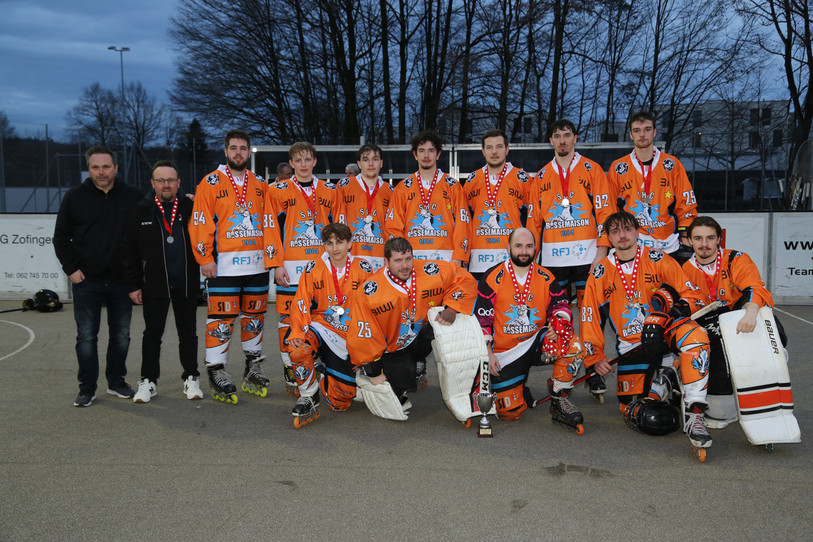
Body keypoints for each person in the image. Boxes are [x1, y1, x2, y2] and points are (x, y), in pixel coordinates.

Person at [581, 211, 713, 451]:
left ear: (637, 231)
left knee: (696, 336)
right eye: (615, 231)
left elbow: (692, 294)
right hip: (632, 345)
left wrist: (671, 314)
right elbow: (589, 315)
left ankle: (695, 412)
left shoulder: (658, 258)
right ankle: (670, 375)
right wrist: (595, 357)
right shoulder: (600, 272)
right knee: (634, 409)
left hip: (664, 331)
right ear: (608, 238)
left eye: (627, 229)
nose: (622, 235)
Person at [528, 119, 617, 400]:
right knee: (558, 318)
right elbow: (533, 222)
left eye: (567, 135)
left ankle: (592, 370)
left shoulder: (592, 170)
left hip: (588, 257)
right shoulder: (540, 176)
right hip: (553, 260)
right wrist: (532, 260)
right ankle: (563, 373)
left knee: (592, 316)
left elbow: (606, 214)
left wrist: (602, 253)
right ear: (551, 141)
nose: (563, 141)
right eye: (557, 136)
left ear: (575, 138)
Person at [54, 145, 142, 406]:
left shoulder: (134, 196)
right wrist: (71, 269)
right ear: (89, 169)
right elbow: (61, 237)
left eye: (106, 166)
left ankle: (116, 382)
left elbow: (159, 209)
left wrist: (188, 198)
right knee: (87, 337)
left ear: (116, 168)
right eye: (95, 167)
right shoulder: (74, 197)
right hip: (87, 281)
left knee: (121, 335)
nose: (101, 172)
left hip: (121, 281)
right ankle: (87, 388)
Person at [474, 228, 585, 429]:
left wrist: (558, 322)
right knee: (511, 413)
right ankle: (517, 385)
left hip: (535, 344)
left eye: (529, 246)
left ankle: (559, 397)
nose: (523, 251)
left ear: (536, 248)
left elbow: (561, 304)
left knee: (574, 345)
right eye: (518, 246)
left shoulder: (546, 276)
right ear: (508, 247)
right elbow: (482, 320)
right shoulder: (492, 277)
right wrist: (487, 353)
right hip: (503, 354)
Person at [347, 238, 477, 408]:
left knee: (441, 324)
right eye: (398, 261)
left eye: (408, 259)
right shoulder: (370, 292)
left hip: (420, 336)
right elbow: (363, 336)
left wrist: (452, 308)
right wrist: (374, 372)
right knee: (400, 387)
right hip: (390, 349)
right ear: (386, 262)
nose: (405, 266)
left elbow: (465, 279)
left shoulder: (431, 271)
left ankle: (419, 364)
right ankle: (370, 374)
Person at [189, 130, 269, 404]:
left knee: (254, 319)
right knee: (221, 319)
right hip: (223, 267)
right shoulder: (210, 182)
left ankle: (252, 365)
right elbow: (200, 220)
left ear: (249, 152)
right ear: (225, 151)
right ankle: (216, 369)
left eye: (243, 148)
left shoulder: (260, 182)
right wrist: (205, 258)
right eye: (233, 148)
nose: (238, 152)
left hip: (257, 265)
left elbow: (270, 222)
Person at [683, 216, 783, 428]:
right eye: (698, 238)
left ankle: (766, 390)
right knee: (712, 349)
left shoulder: (736, 258)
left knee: (773, 329)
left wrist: (750, 313)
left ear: (719, 238)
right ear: (689, 241)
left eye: (710, 238)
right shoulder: (683, 268)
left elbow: (755, 286)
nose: (704, 244)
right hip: (707, 322)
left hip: (740, 314)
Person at [121, 160, 203, 403]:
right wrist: (134, 284)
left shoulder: (192, 206)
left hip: (186, 283)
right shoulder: (140, 210)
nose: (166, 184)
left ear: (178, 182)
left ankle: (191, 377)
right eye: (161, 180)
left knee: (188, 333)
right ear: (153, 183)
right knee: (152, 335)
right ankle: (148, 381)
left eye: (171, 180)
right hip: (154, 284)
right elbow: (129, 252)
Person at [264, 141, 336, 395]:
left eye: (308, 159)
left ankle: (320, 365)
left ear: (314, 161)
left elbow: (338, 229)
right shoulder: (277, 190)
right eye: (299, 160)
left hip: (322, 268)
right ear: (291, 163)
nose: (304, 165)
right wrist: (276, 264)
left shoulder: (329, 189)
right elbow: (271, 229)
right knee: (288, 320)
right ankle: (290, 368)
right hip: (291, 269)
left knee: (322, 317)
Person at [286, 223, 374, 426]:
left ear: (350, 243)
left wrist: (368, 350)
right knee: (297, 348)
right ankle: (309, 395)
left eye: (340, 242)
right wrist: (298, 331)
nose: (335, 248)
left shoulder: (363, 268)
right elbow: (300, 302)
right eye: (329, 243)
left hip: (351, 335)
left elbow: (373, 309)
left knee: (340, 402)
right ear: (324, 245)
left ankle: (325, 371)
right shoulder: (313, 268)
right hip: (322, 327)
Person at [608, 111, 697, 264]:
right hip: (633, 246)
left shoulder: (671, 164)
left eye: (647, 129)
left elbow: (686, 203)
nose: (642, 134)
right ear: (630, 135)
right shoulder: (618, 168)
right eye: (637, 130)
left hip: (669, 245)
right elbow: (610, 208)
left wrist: (686, 234)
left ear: (655, 132)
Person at [386, 130, 469, 266]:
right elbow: (393, 225)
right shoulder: (403, 187)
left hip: (446, 260)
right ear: (415, 154)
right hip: (412, 261)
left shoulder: (452, 186)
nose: (426, 155)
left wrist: (458, 257)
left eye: (431, 150)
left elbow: (462, 223)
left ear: (438, 154)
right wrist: (400, 258)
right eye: (421, 150)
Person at [465, 129, 530, 280]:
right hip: (478, 262)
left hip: (512, 260)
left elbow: (532, 222)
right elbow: (465, 224)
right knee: (480, 304)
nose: (494, 152)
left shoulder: (522, 179)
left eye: (499, 146)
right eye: (489, 147)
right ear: (483, 151)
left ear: (507, 149)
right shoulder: (471, 181)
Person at [335, 143, 392, 270]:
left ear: (381, 163)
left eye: (375, 159)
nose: (371, 164)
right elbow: (337, 222)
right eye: (366, 160)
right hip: (350, 258)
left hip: (380, 261)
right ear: (359, 164)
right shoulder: (344, 186)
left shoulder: (391, 191)